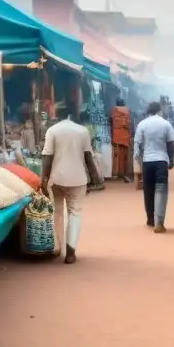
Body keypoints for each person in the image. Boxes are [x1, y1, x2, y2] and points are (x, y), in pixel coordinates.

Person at [40, 104, 101, 264]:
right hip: (78, 178)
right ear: (73, 115)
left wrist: (43, 179)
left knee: (57, 213)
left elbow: (47, 157)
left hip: (56, 177)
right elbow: (88, 156)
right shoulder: (83, 131)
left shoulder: (52, 131)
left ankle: (56, 248)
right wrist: (95, 178)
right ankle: (71, 252)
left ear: (57, 116)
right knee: (75, 213)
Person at [134, 101, 174, 232]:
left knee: (148, 191)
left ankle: (150, 219)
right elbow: (171, 145)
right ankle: (159, 222)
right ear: (159, 110)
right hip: (161, 161)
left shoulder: (142, 124)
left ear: (148, 111)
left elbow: (137, 146)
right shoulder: (165, 124)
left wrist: (138, 161)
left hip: (147, 162)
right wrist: (171, 161)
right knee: (161, 191)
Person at [110, 98, 133, 181]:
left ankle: (115, 174)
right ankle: (125, 174)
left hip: (116, 137)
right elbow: (131, 124)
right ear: (124, 103)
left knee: (116, 156)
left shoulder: (113, 111)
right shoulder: (128, 111)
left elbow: (111, 123)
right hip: (126, 137)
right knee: (125, 156)